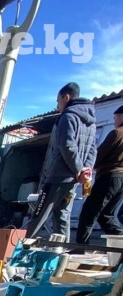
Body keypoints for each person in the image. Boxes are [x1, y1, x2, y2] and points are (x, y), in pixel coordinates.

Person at [26, 82, 96, 241]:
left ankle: (24, 247)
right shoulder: (91, 123)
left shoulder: (68, 116)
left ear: (66, 97)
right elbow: (93, 149)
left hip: (58, 176)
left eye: (58, 101)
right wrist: (85, 170)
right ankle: (59, 250)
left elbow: (67, 145)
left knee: (40, 213)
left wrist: (79, 169)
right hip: (74, 179)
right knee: (62, 214)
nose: (57, 106)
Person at [76, 105, 123, 246]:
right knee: (106, 215)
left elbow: (99, 154)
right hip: (121, 179)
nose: (114, 121)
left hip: (110, 176)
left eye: (115, 118)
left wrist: (88, 167)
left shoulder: (117, 133)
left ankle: (80, 247)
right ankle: (120, 246)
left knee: (88, 213)